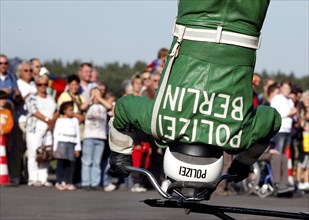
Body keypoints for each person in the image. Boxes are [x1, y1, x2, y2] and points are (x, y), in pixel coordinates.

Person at [108, 0, 281, 187]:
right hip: (195, 15)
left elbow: (272, 119)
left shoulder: (239, 136)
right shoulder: (160, 124)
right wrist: (120, 153)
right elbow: (123, 108)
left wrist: (243, 162)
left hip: (248, 20)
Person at [25, 74, 58, 187]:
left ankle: (43, 177)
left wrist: (52, 121)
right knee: (34, 153)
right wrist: (47, 120)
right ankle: (33, 178)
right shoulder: (31, 97)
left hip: (48, 129)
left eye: (45, 84)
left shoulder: (51, 97)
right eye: (40, 84)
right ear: (36, 85)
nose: (43, 87)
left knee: (46, 154)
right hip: (35, 128)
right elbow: (33, 111)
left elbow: (57, 110)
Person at [9, 61, 37, 185]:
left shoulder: (34, 84)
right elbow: (16, 101)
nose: (29, 73)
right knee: (18, 149)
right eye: (26, 71)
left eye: (30, 70)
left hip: (33, 121)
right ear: (20, 72)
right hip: (20, 120)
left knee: (30, 150)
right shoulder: (18, 84)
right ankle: (15, 175)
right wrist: (26, 96)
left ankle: (28, 175)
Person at [81, 87, 112, 190]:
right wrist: (91, 97)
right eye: (94, 93)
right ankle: (86, 182)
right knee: (87, 161)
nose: (96, 95)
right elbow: (82, 107)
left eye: (97, 93)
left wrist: (99, 97)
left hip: (100, 137)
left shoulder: (103, 106)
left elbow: (109, 106)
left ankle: (95, 182)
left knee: (96, 161)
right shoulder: (89, 105)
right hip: (89, 136)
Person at [53, 101, 81, 191]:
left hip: (71, 143)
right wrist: (54, 147)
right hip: (61, 143)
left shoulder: (75, 121)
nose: (72, 112)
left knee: (70, 163)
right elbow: (56, 134)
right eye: (70, 110)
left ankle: (68, 181)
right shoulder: (59, 120)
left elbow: (77, 134)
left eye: (73, 110)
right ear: (64, 111)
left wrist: (77, 148)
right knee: (61, 163)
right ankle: (59, 181)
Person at [271, 80, 297, 154]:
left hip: (288, 130)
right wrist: (289, 113)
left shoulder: (290, 101)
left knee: (285, 154)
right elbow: (274, 113)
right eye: (285, 88)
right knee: (278, 152)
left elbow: (293, 113)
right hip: (280, 130)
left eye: (289, 88)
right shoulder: (277, 98)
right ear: (281, 88)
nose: (287, 90)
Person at [296, 90, 309, 191]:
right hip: (302, 138)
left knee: (308, 162)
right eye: (307, 98)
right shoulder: (300, 109)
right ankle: (299, 182)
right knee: (302, 160)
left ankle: (306, 181)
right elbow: (300, 123)